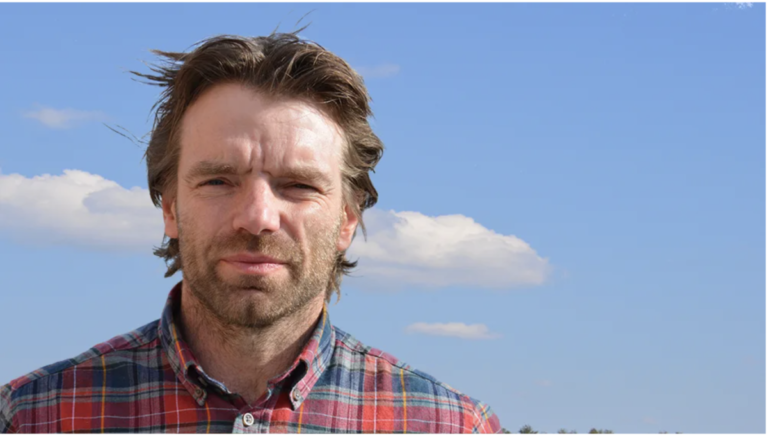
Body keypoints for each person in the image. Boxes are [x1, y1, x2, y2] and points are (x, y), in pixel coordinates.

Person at [0, 32, 502, 434]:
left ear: (347, 219)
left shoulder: (451, 427)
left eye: (298, 185)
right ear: (170, 208)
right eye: (218, 181)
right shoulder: (32, 418)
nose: (257, 217)